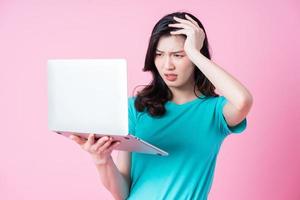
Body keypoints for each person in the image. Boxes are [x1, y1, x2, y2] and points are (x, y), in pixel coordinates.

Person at [69, 11, 253, 200]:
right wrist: (102, 160)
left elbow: (243, 101)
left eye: (178, 55)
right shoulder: (135, 108)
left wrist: (195, 53)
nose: (167, 65)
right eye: (159, 54)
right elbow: (122, 193)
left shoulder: (214, 112)